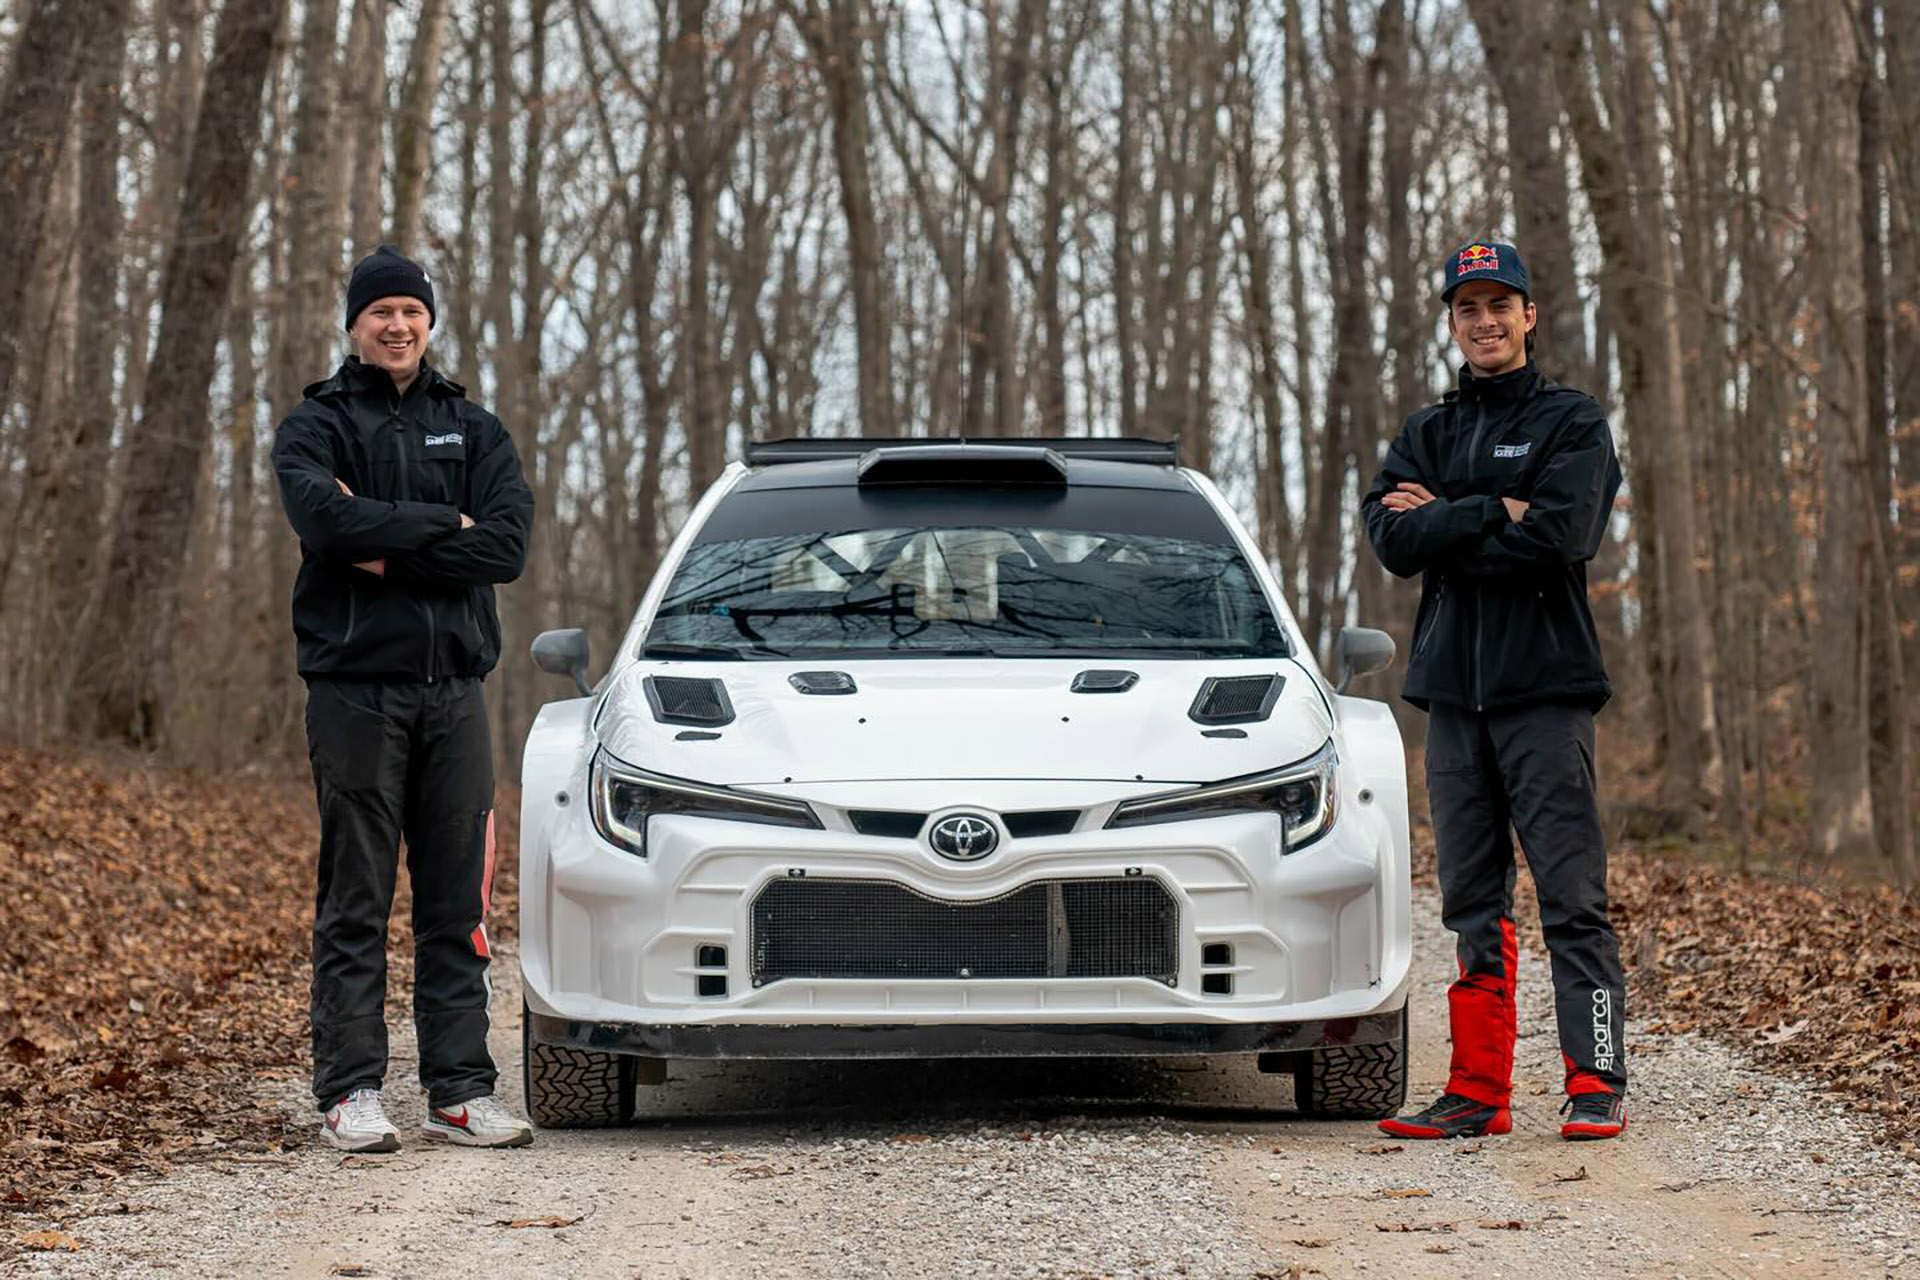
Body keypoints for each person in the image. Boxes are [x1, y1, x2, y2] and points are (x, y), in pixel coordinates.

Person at [1361, 241, 1628, 1142]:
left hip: (1545, 691)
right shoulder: (1426, 432)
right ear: (1452, 322)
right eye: (1467, 308)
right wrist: (1490, 509)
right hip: (1451, 700)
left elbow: (1562, 536)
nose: (1485, 322)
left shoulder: (1573, 421)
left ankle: (1596, 1080)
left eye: (1499, 305)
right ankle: (1478, 1092)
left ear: (1528, 315)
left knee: (1571, 896)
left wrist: (1443, 520)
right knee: (1471, 902)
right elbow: (1393, 543)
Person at [272, 245, 536, 1151]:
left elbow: (504, 548)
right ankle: (350, 1091)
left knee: (457, 906)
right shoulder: (316, 426)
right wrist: (438, 525)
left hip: (456, 695)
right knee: (357, 899)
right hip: (355, 694)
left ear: (429, 322)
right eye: (380, 311)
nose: (397, 325)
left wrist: (382, 547)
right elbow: (323, 521)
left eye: (411, 312)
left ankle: (460, 1092)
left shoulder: (475, 428)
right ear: (355, 323)